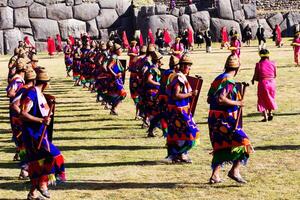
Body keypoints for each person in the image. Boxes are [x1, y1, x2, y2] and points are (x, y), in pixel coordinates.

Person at [20, 68, 66, 199]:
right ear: (45, 84)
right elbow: (23, 114)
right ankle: (43, 184)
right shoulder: (32, 94)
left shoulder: (37, 93)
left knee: (37, 163)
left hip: (39, 134)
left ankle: (33, 193)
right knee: (54, 155)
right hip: (33, 135)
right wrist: (41, 119)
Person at [207, 55, 254, 184]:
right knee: (244, 143)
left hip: (214, 119)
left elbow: (209, 99)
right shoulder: (229, 81)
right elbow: (221, 98)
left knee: (221, 146)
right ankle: (234, 171)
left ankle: (215, 175)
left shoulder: (218, 79)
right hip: (224, 119)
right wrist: (237, 103)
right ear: (237, 69)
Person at [164, 55, 200, 163]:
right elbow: (175, 95)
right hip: (178, 111)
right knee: (192, 132)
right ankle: (178, 154)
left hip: (180, 110)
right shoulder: (178, 78)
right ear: (183, 66)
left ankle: (181, 155)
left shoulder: (180, 77)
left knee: (180, 133)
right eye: (188, 66)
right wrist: (190, 94)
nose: (189, 69)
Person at [10, 68, 37, 180]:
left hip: (20, 123)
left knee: (23, 147)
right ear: (34, 80)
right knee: (26, 147)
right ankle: (25, 170)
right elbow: (14, 104)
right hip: (21, 123)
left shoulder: (25, 89)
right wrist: (23, 114)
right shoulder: (27, 91)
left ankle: (25, 170)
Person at [251, 49, 277, 122]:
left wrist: (253, 80)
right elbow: (275, 75)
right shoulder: (273, 63)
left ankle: (265, 116)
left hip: (263, 83)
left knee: (262, 99)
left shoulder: (259, 64)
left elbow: (256, 76)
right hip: (272, 82)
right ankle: (270, 112)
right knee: (270, 98)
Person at [143, 51, 162, 137]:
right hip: (152, 92)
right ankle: (151, 129)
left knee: (153, 111)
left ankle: (151, 130)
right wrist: (158, 84)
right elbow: (149, 79)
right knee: (154, 111)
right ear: (157, 61)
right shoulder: (153, 69)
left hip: (154, 92)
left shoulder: (154, 68)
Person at [106, 43, 127, 115]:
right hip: (115, 80)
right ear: (117, 50)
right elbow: (108, 67)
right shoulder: (114, 57)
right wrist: (115, 75)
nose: (121, 51)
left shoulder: (114, 56)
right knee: (122, 94)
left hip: (115, 79)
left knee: (115, 94)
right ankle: (113, 108)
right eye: (120, 49)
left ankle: (113, 109)